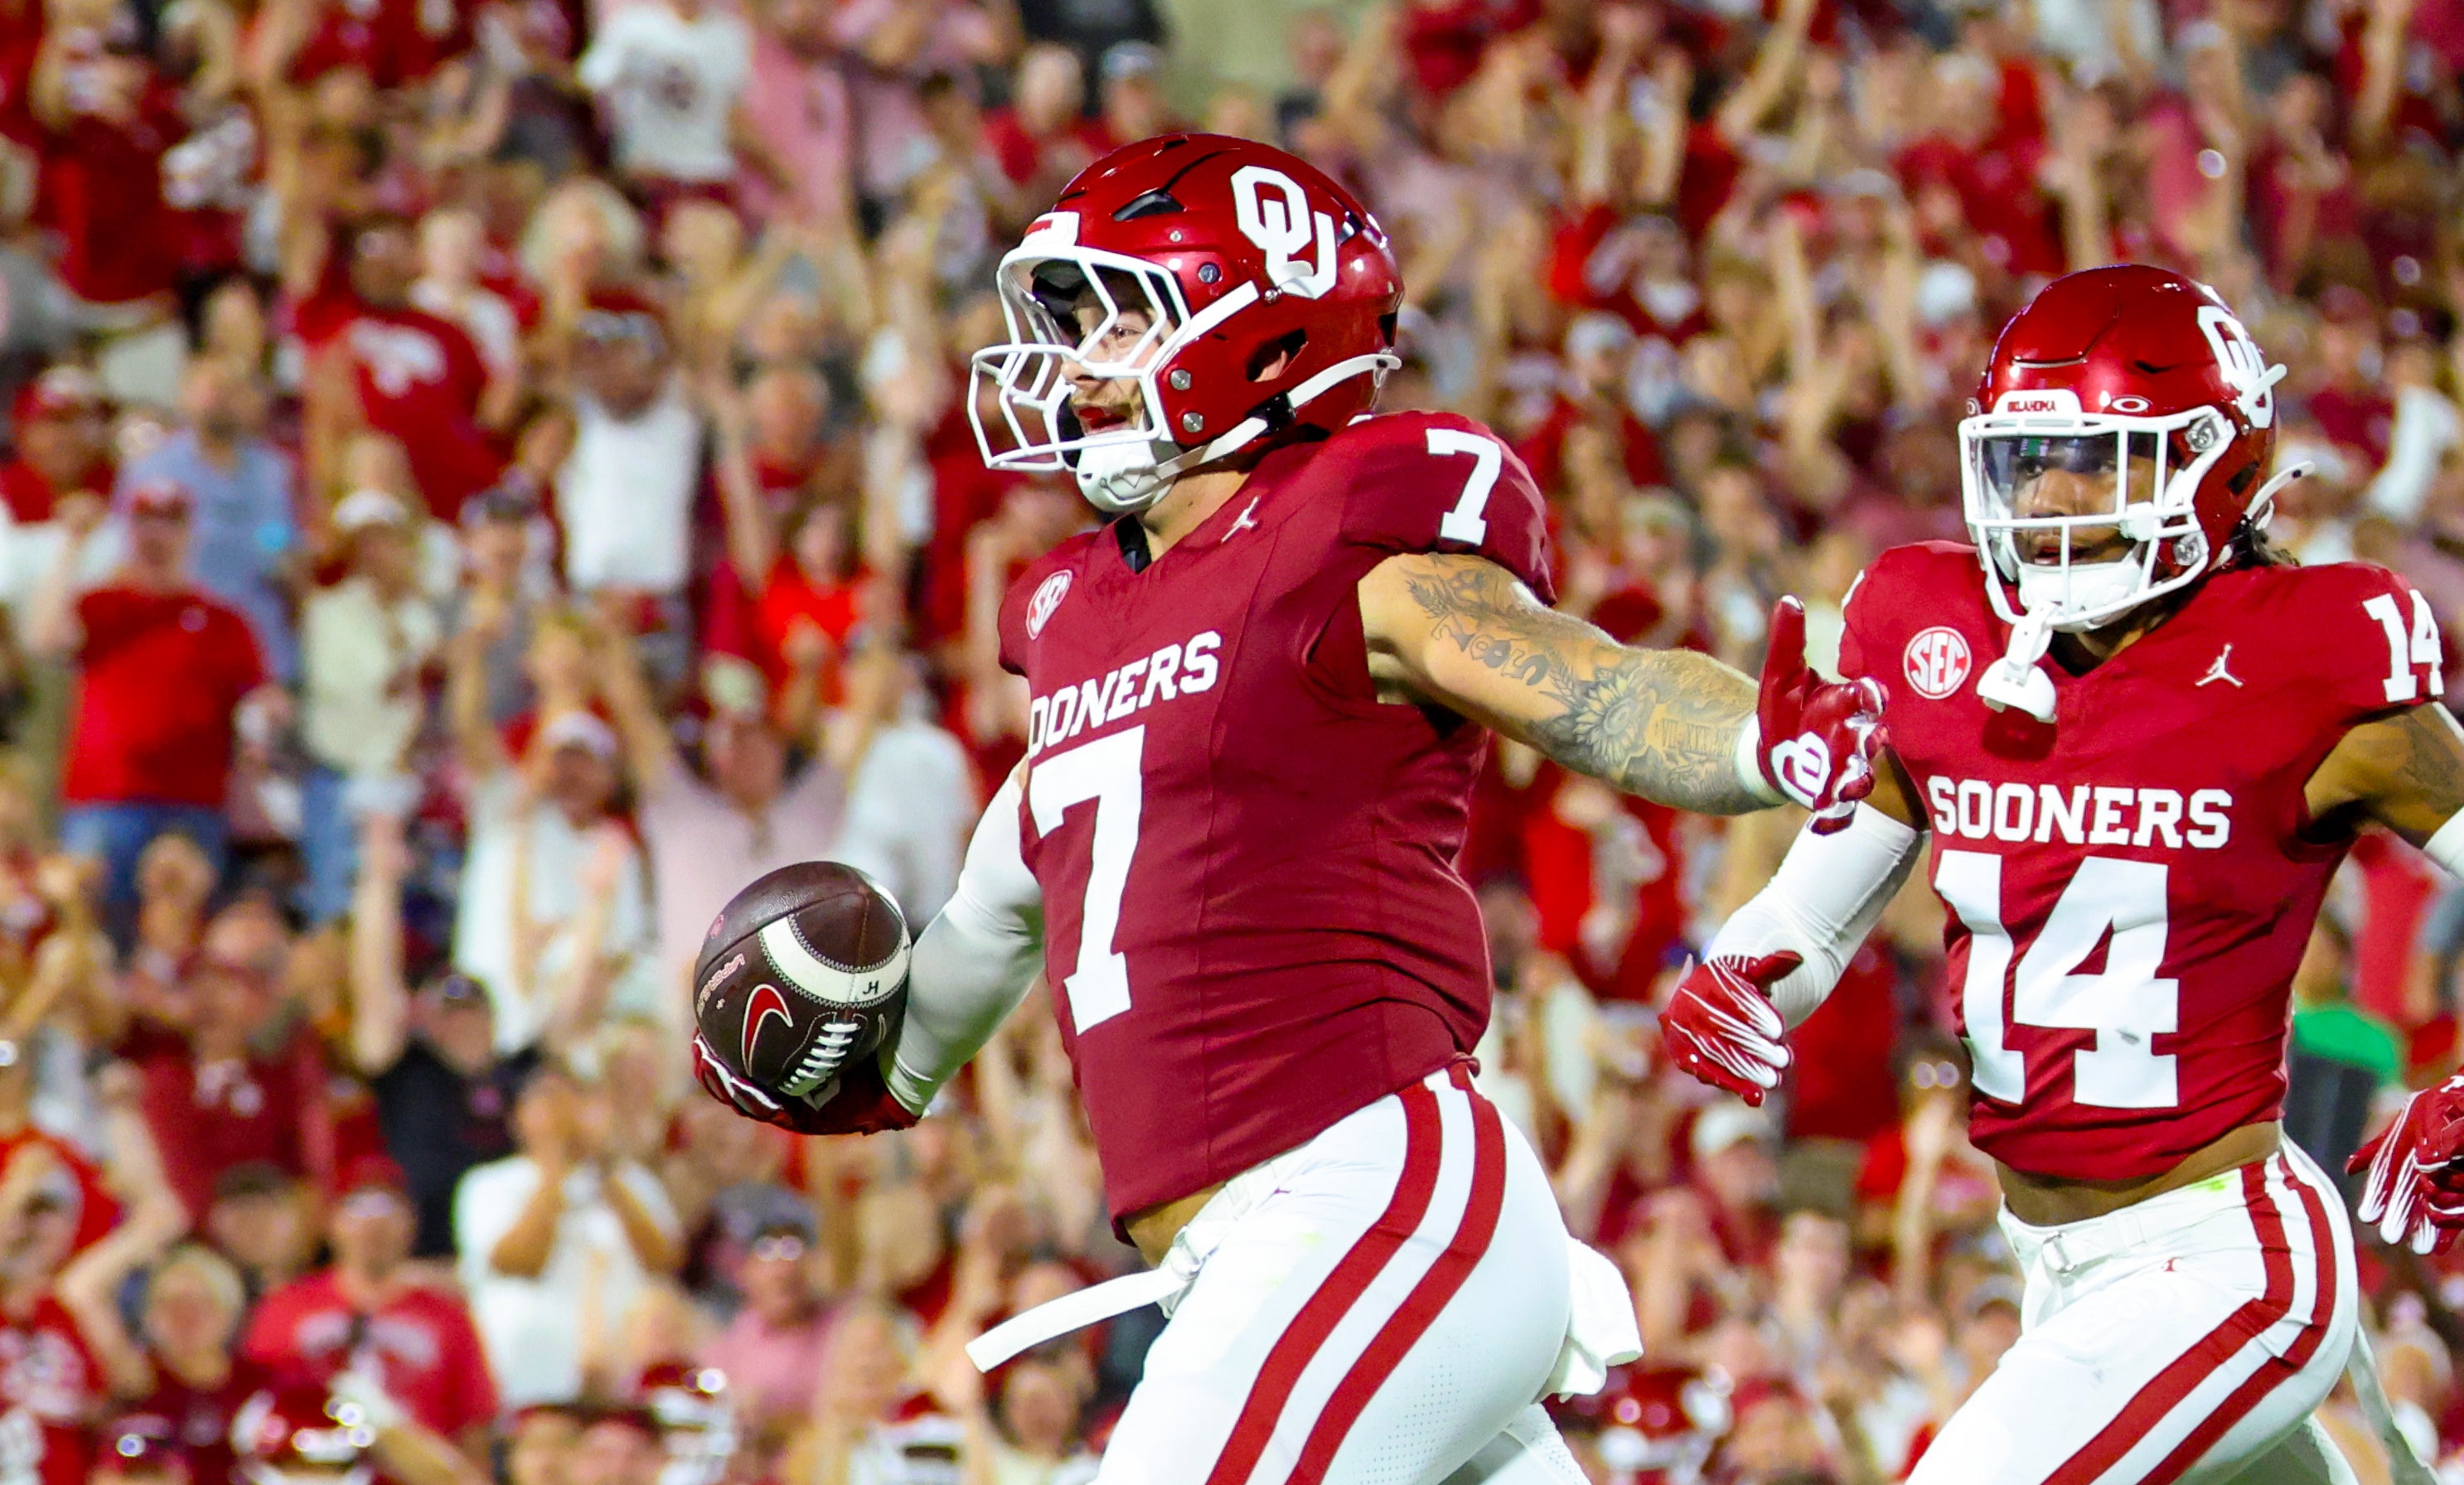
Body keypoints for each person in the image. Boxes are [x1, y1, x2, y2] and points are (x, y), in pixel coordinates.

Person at [691, 134, 1886, 1485]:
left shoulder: (1341, 543)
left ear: (1256, 333)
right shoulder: (1080, 620)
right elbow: (972, 949)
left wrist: (1751, 737)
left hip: (1365, 1193)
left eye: (1116, 317)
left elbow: (1578, 681)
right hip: (1263, 1256)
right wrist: (821, 1050)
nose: (1075, 363)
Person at [1655, 264, 2464, 1481]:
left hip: (2225, 1257)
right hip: (2048, 1262)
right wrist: (1746, 967)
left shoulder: (2306, 656)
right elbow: (1833, 892)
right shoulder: (1935, 626)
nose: (2051, 498)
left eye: (2094, 458)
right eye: (2028, 463)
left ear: (2214, 464)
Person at [26, 481, 278, 922]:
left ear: (189, 533)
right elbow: (45, 639)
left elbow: (260, 704)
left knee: (181, 929)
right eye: (145, 521)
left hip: (194, 804)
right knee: (90, 923)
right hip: (106, 798)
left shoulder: (225, 622)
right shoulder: (102, 606)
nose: (157, 535)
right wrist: (72, 544)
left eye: (170, 521)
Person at [240, 1156, 498, 1457]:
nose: (372, 1226)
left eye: (388, 1210)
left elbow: (473, 1427)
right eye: (357, 1210)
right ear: (332, 1223)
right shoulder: (286, 1309)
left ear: (411, 1222)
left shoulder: (447, 1317)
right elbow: (256, 1407)